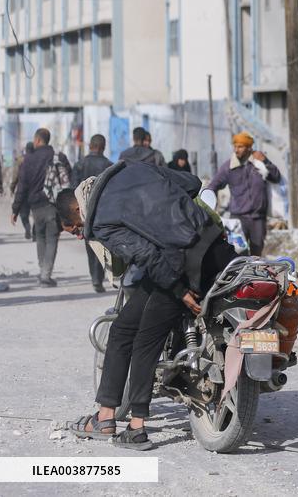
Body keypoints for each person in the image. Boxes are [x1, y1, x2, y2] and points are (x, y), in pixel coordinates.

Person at [63, 160, 237, 450]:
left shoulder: (100, 221)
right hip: (215, 246)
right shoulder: (134, 168)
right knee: (122, 328)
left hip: (179, 266)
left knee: (147, 338)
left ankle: (136, 427)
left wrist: (178, 288)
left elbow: (145, 254)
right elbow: (193, 184)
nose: (81, 234)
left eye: (75, 229)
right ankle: (105, 416)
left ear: (77, 210)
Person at [11, 129, 71, 287]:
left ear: (37, 140)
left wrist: (15, 210)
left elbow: (22, 186)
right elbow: (69, 179)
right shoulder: (58, 156)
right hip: (53, 204)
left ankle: (43, 271)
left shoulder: (28, 159)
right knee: (52, 238)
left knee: (40, 236)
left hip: (36, 206)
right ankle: (46, 274)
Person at [206, 132, 281, 256]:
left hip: (258, 218)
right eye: (235, 146)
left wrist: (265, 161)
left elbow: (276, 177)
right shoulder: (228, 167)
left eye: (240, 147)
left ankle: (253, 275)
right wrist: (210, 207)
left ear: (249, 148)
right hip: (238, 219)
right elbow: (213, 186)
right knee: (237, 252)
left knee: (257, 253)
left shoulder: (259, 163)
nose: (236, 150)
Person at [72, 134, 114, 292]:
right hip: (104, 212)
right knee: (103, 245)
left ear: (90, 145)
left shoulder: (79, 164)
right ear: (103, 147)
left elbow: (72, 189)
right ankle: (100, 276)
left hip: (84, 213)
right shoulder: (109, 166)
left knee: (90, 245)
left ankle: (95, 278)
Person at [10, 142, 35, 240]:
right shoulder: (39, 159)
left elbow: (15, 175)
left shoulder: (20, 160)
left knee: (24, 213)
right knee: (36, 212)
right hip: (36, 190)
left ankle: (27, 227)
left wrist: (12, 187)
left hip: (23, 189)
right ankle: (34, 230)